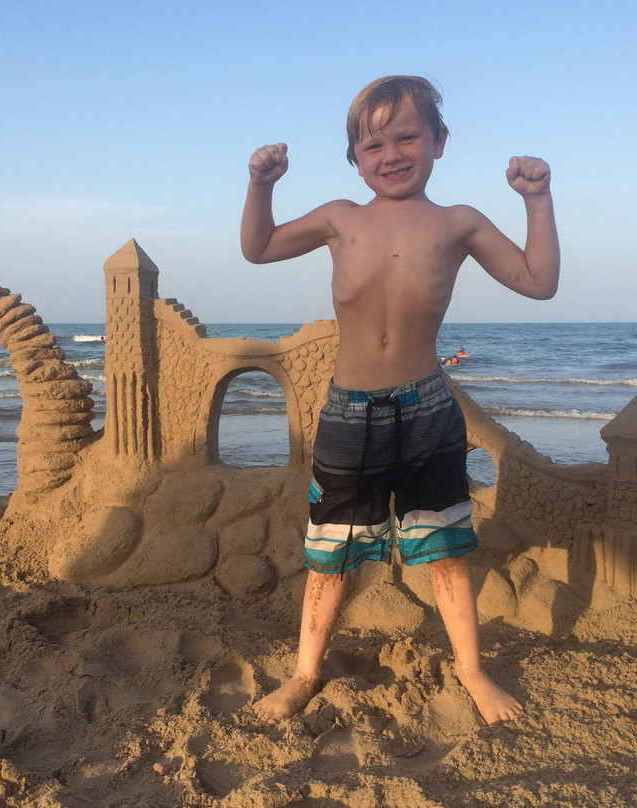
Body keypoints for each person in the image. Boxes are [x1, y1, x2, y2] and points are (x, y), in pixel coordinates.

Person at [240, 75, 559, 726]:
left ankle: (472, 673)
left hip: (427, 415)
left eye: (407, 135)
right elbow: (259, 247)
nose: (390, 153)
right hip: (347, 417)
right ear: (354, 160)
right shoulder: (339, 219)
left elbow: (538, 281)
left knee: (444, 552)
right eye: (371, 144)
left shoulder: (458, 223)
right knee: (329, 554)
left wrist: (538, 199)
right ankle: (305, 674)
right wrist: (261, 186)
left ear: (440, 140)